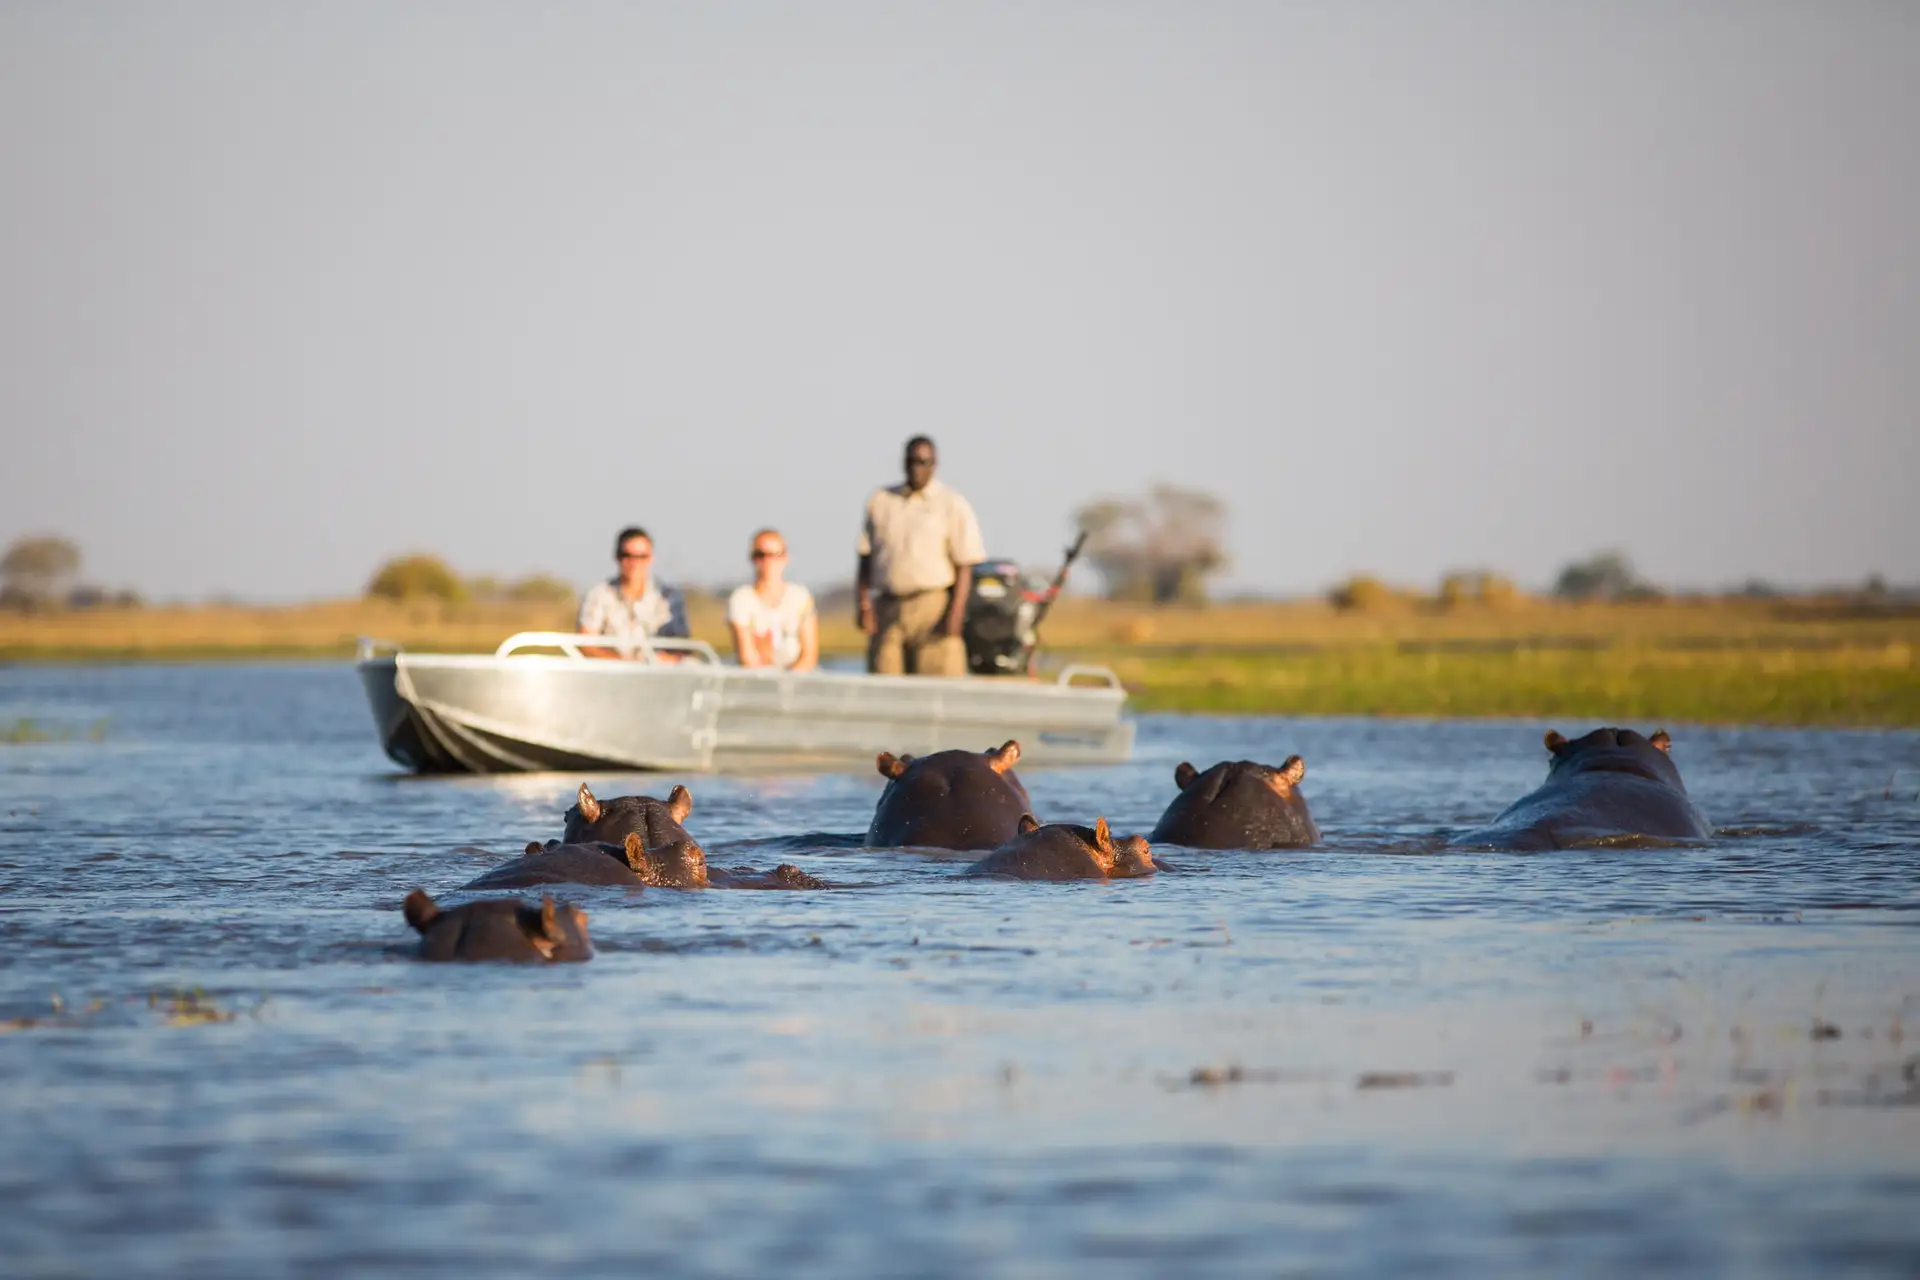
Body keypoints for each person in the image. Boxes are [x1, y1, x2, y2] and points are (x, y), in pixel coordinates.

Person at [855, 435, 986, 676]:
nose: (917, 468)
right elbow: (865, 556)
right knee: (884, 680)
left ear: (934, 464)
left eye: (923, 462)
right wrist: (863, 603)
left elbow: (965, 565)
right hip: (888, 604)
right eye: (912, 461)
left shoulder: (951, 503)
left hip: (933, 606)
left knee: (937, 685)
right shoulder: (882, 500)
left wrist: (955, 615)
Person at [577, 526, 689, 660]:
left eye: (642, 557)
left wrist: (661, 662)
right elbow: (586, 642)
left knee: (693, 665)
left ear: (651, 558)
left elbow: (682, 645)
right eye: (627, 555)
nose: (634, 563)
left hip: (659, 674)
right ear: (617, 557)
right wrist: (621, 664)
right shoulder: (598, 594)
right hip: (610, 673)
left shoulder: (668, 596)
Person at [726, 528, 819, 672]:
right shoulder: (741, 599)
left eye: (774, 555)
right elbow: (747, 658)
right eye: (760, 555)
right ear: (752, 558)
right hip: (757, 681)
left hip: (798, 681)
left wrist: (789, 682)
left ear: (785, 557)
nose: (767, 561)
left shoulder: (800, 596)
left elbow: (809, 656)